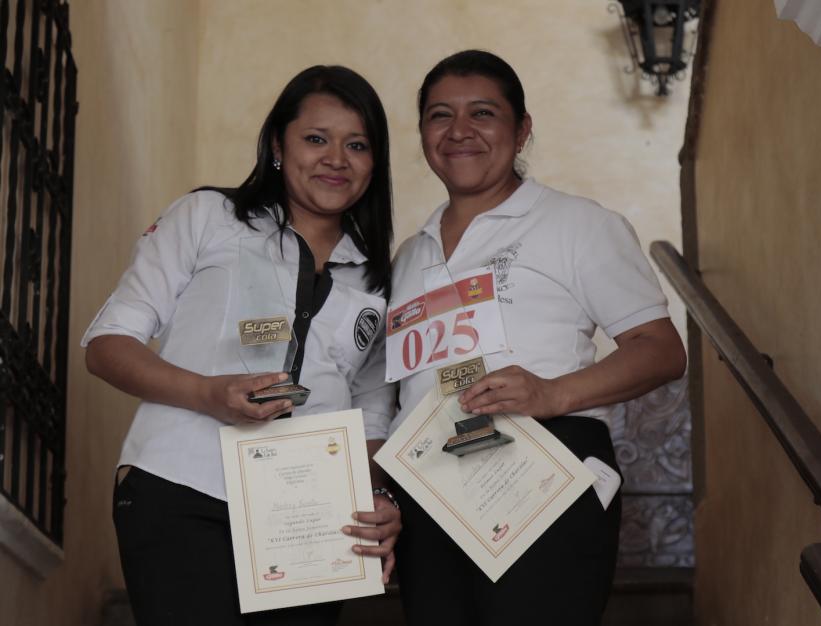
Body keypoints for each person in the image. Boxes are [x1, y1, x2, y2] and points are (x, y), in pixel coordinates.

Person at [84, 65, 401, 626]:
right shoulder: (207, 217)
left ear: (374, 163)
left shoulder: (377, 280)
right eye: (315, 139)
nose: (336, 158)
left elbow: (373, 409)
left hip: (309, 517)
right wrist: (206, 393)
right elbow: (108, 344)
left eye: (357, 144)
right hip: (184, 485)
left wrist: (379, 498)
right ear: (278, 145)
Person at [385, 50, 687, 626]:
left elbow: (661, 349)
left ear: (521, 130)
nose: (459, 131)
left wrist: (552, 394)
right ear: (423, 132)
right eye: (439, 115)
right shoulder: (409, 254)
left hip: (540, 467)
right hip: (432, 487)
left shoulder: (577, 224)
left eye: (483, 113)